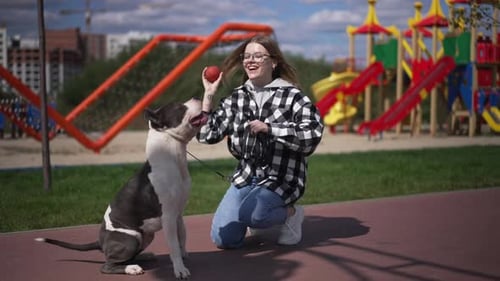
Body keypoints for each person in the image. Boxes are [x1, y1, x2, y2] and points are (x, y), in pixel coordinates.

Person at [197, 35, 324, 249]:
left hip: (282, 177)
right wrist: (208, 98)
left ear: (273, 62)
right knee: (223, 240)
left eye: (258, 56)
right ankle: (255, 215)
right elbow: (206, 135)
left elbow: (312, 134)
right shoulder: (236, 98)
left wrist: (271, 129)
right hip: (246, 176)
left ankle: (291, 213)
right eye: (246, 56)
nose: (250, 60)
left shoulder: (293, 96)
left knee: (254, 215)